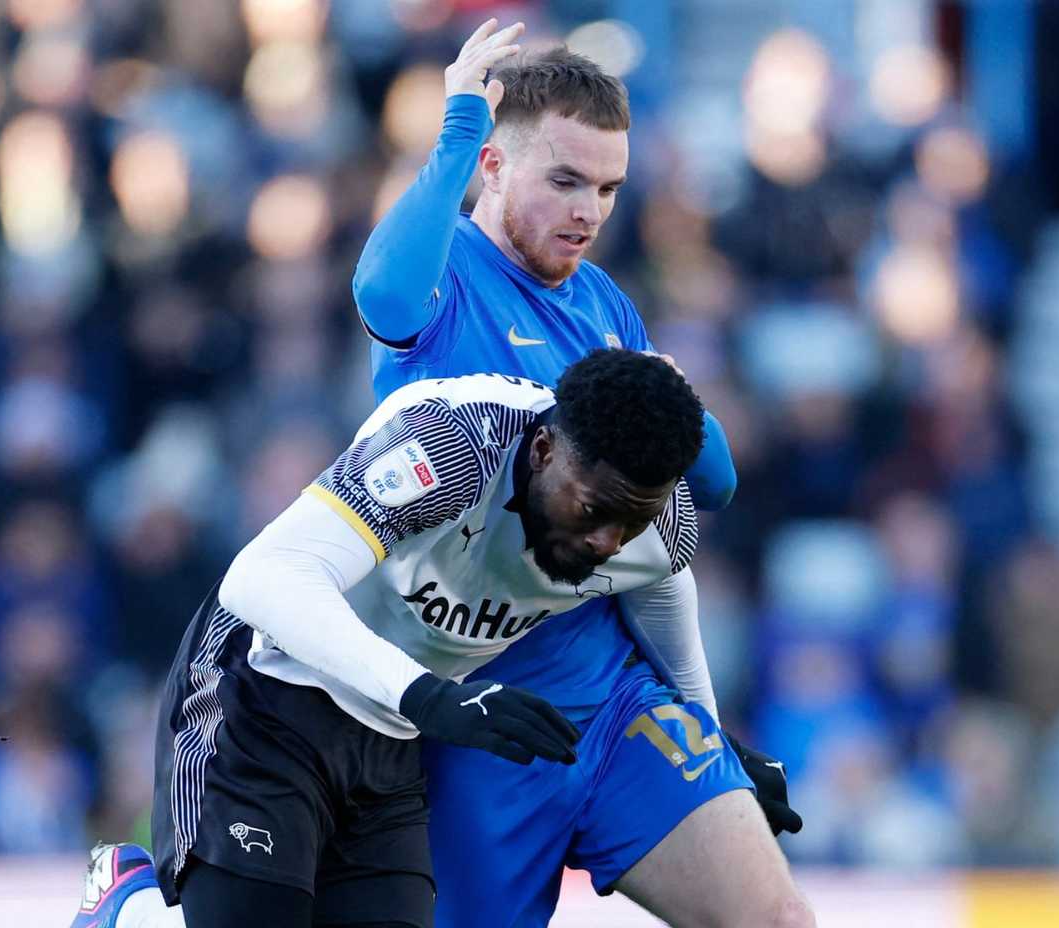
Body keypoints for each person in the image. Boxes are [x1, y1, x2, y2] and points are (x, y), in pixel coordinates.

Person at [349, 22, 812, 928]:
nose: (589, 212)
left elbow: (709, 482)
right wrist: (458, 124)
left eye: (607, 189)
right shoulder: (444, 274)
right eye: (565, 181)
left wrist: (675, 397)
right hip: (478, 722)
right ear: (491, 166)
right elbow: (384, 296)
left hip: (612, 702)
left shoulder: (605, 306)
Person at [73, 350, 718, 927]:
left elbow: (667, 597)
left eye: (633, 521)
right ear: (544, 450)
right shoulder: (453, 443)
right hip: (266, 690)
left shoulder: (659, 527)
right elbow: (262, 576)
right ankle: (129, 907)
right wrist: (428, 696)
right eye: (594, 510)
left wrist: (717, 750)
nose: (608, 542)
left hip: (391, 736)